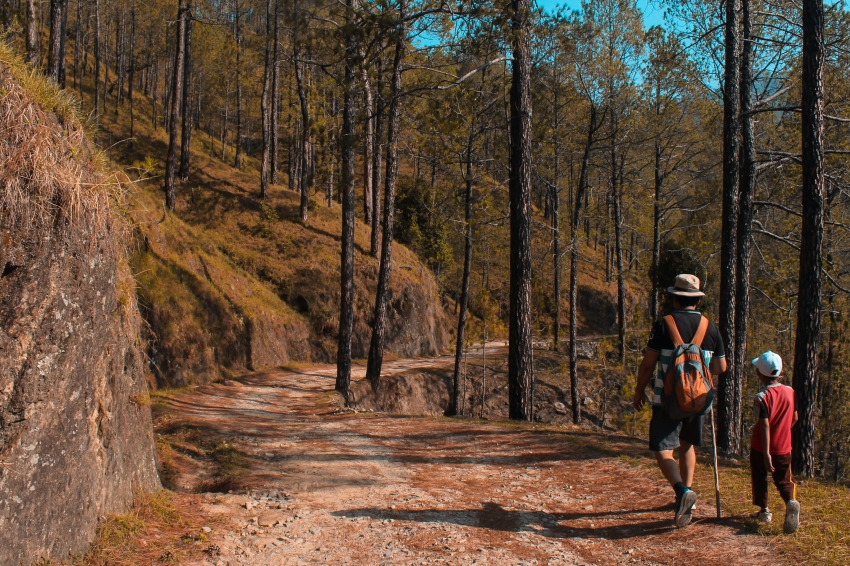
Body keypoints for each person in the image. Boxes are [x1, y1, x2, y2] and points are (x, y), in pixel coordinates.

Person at [633, 273, 727, 528]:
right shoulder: (710, 327)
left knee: (663, 448)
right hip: (699, 399)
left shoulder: (664, 325)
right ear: (697, 300)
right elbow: (721, 367)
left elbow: (648, 364)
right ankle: (688, 499)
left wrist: (639, 391)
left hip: (667, 399)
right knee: (687, 445)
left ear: (675, 298)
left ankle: (682, 491)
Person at [749, 351, 800, 534]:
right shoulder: (790, 392)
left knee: (760, 476)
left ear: (759, 373)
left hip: (761, 447)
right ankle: (790, 501)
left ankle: (764, 511)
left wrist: (766, 453)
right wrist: (784, 429)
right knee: (784, 480)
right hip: (784, 447)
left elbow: (764, 425)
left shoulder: (761, 397)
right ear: (780, 372)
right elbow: (795, 417)